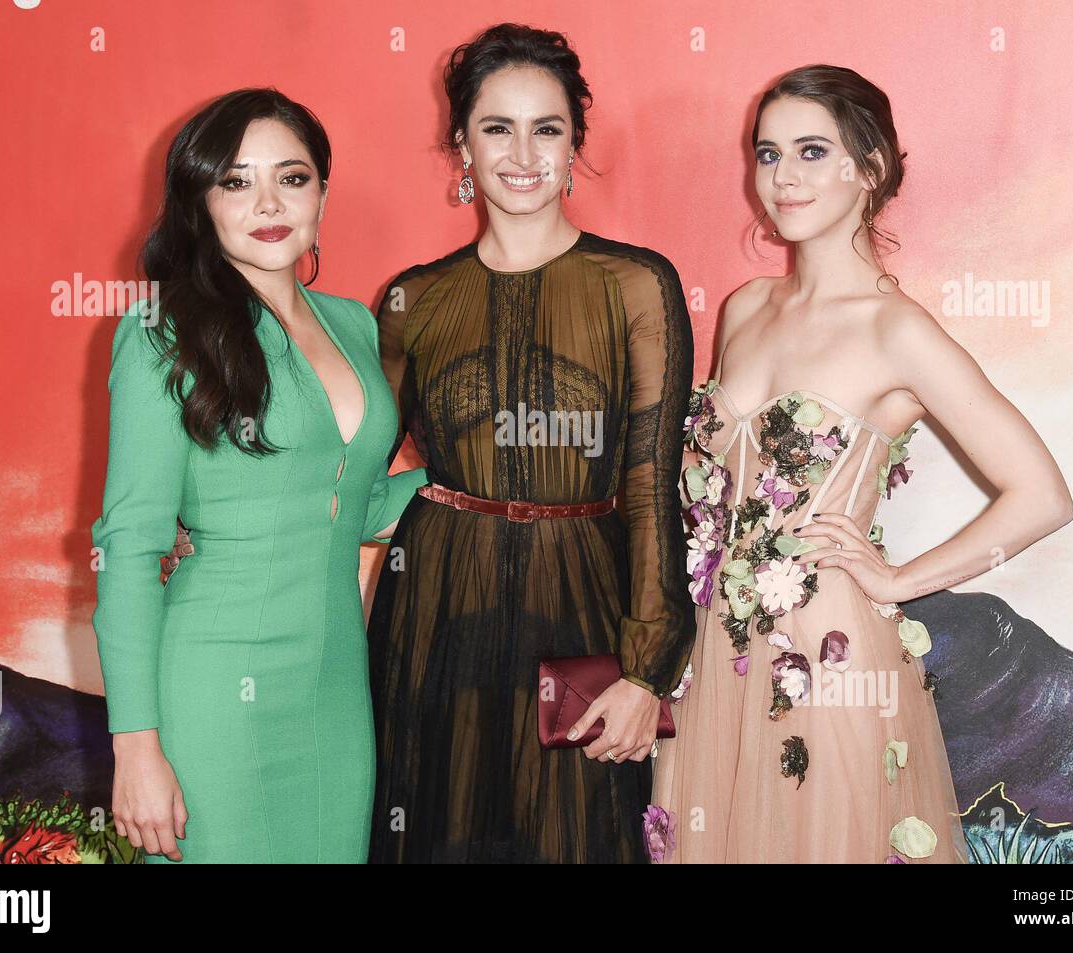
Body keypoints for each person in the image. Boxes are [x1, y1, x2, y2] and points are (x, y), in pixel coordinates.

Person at [649, 64, 1073, 863]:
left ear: (869, 168)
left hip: (832, 656)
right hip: (713, 655)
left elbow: (1042, 494)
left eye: (812, 151)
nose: (781, 176)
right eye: (767, 153)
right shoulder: (743, 308)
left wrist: (897, 579)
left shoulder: (897, 330)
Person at [364, 23, 697, 862]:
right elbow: (352, 470)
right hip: (436, 606)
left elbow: (653, 483)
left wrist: (647, 666)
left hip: (581, 604)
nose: (522, 153)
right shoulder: (412, 300)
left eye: (547, 128)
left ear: (575, 143)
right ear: (460, 147)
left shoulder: (637, 285)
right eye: (496, 127)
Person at [91, 87, 427, 863]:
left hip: (337, 685)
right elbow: (131, 545)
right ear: (199, 199)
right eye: (236, 181)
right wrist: (136, 747)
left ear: (322, 193)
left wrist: (473, 482)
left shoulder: (354, 322)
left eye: (293, 177)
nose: (268, 202)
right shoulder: (161, 332)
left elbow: (353, 500)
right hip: (214, 682)